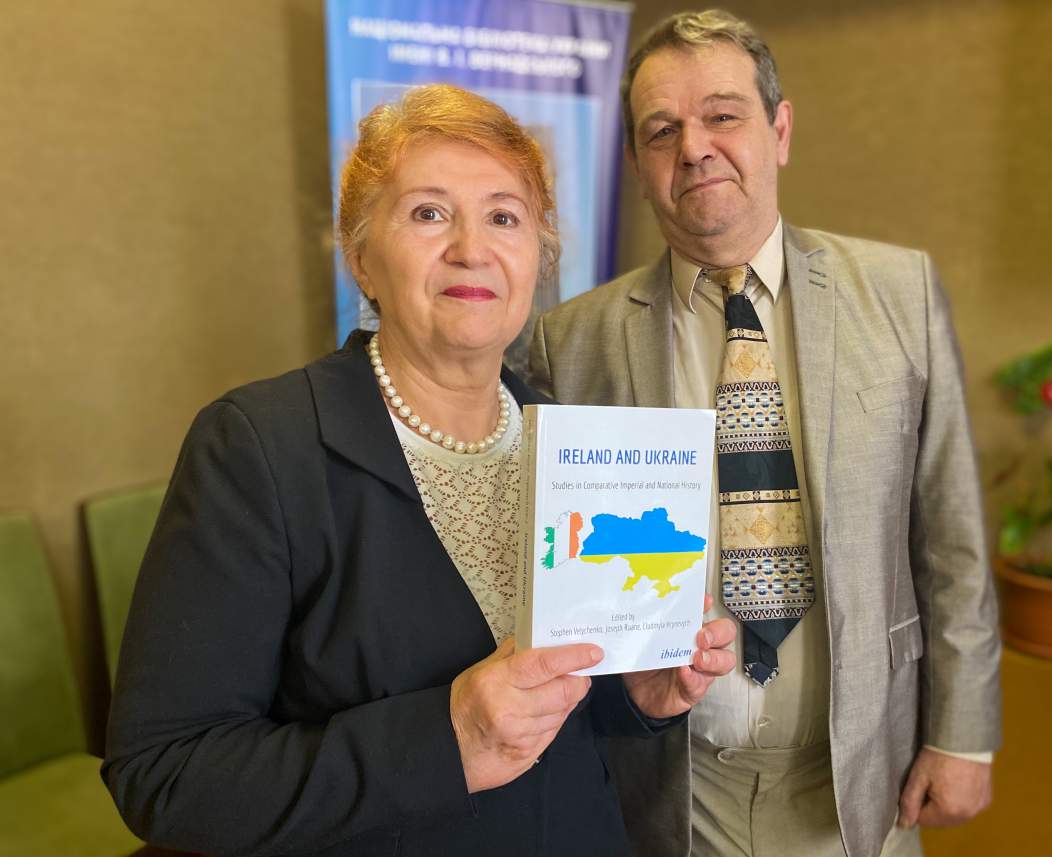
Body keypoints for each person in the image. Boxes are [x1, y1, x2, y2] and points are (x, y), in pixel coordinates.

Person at [102, 83, 736, 857]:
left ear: (537, 258)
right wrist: (447, 737)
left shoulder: (569, 442)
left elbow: (552, 703)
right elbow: (163, 771)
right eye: (430, 213)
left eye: (504, 216)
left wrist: (639, 695)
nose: (472, 247)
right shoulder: (259, 447)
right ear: (361, 258)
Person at [530, 10, 1001, 857]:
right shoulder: (571, 342)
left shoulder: (899, 293)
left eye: (723, 115)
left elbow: (952, 535)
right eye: (662, 131)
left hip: (861, 779)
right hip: (672, 790)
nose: (694, 148)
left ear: (779, 131)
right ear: (637, 163)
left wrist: (963, 734)